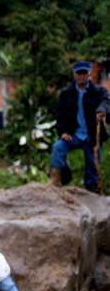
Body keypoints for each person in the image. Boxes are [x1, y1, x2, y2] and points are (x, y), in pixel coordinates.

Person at [50, 60, 110, 192]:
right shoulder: (66, 93)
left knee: (92, 166)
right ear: (74, 75)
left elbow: (106, 101)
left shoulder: (98, 91)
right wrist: (63, 132)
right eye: (79, 73)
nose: (81, 76)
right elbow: (59, 114)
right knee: (57, 148)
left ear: (89, 74)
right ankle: (57, 182)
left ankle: (91, 189)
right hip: (74, 134)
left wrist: (102, 110)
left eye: (84, 73)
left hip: (92, 136)